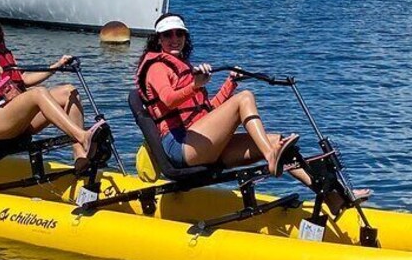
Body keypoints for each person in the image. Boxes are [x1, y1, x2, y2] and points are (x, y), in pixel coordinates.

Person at [136, 13, 369, 213]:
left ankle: (335, 198)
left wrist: (230, 83)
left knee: (279, 142)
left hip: (202, 142)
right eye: (167, 35)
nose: (174, 39)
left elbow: (209, 112)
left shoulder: (186, 68)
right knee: (246, 99)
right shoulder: (156, 67)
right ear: (158, 40)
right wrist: (195, 85)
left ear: (186, 38)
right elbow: (168, 98)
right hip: (181, 147)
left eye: (179, 34)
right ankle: (270, 157)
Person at [0, 3, 108, 167]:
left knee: (69, 92)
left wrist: (57, 66)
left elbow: (24, 79)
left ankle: (80, 157)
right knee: (37, 94)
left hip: (13, 114)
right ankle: (83, 136)